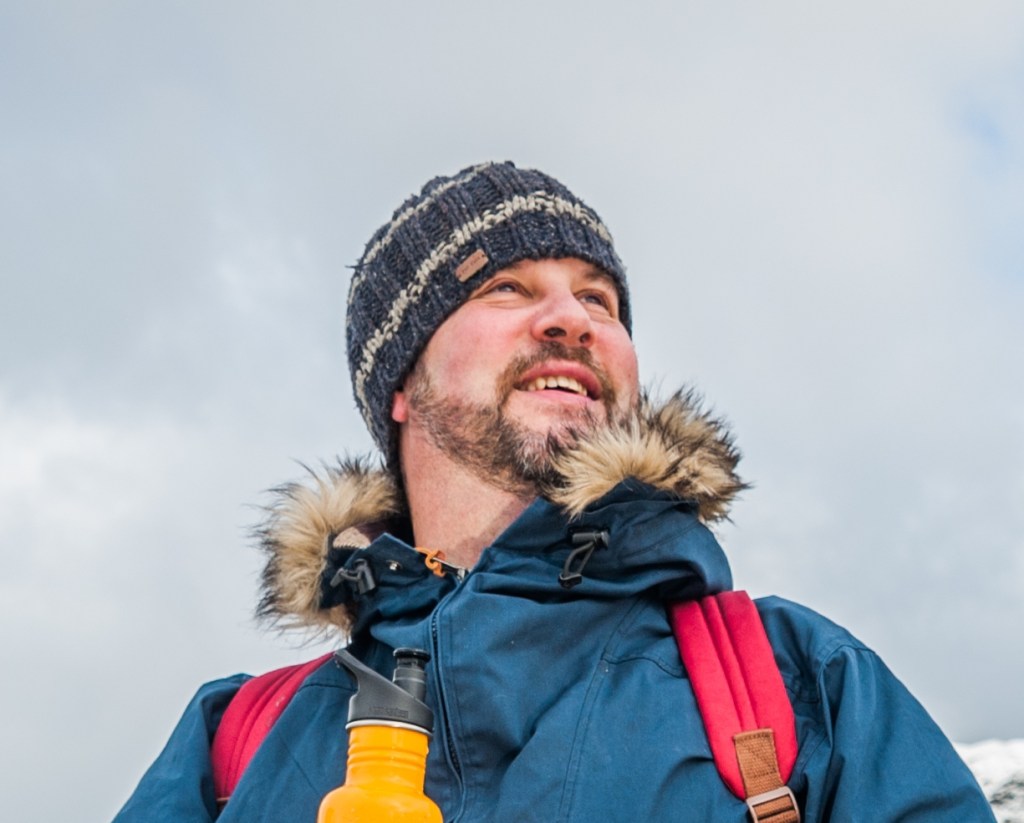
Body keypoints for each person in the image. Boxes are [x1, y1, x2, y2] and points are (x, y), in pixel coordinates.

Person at [114, 161, 993, 821]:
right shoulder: (239, 742)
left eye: (601, 300)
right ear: (403, 384)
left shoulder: (801, 682)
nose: (573, 318)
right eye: (508, 286)